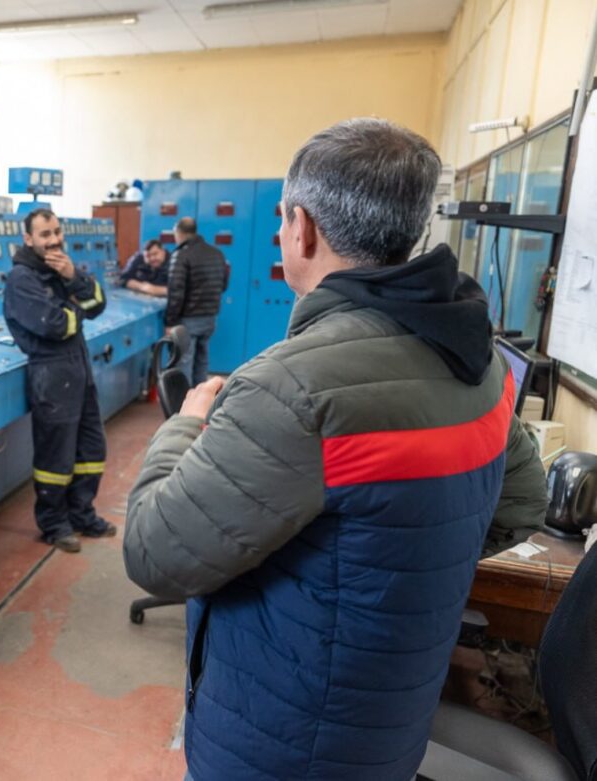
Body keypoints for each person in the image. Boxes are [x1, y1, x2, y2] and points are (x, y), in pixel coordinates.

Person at [123, 119, 547, 781]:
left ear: (304, 229)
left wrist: (185, 422)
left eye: (282, 218)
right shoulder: (478, 360)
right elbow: (522, 502)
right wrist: (392, 571)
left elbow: (154, 550)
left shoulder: (291, 387)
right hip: (387, 729)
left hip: (278, 743)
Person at [4, 208, 116, 553]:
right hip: (51, 374)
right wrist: (77, 310)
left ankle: (82, 514)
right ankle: (54, 524)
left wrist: (73, 277)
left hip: (78, 369)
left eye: (56, 231)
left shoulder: (61, 269)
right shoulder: (22, 279)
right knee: (56, 457)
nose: (53, 240)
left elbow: (98, 303)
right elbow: (55, 325)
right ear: (28, 239)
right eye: (45, 234)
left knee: (90, 448)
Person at [165, 217, 228, 384]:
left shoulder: (181, 255)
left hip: (188, 319)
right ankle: (201, 395)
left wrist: (170, 321)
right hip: (210, 317)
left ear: (179, 233)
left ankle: (184, 398)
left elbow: (176, 292)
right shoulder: (217, 253)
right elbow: (223, 285)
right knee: (202, 359)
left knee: (184, 361)